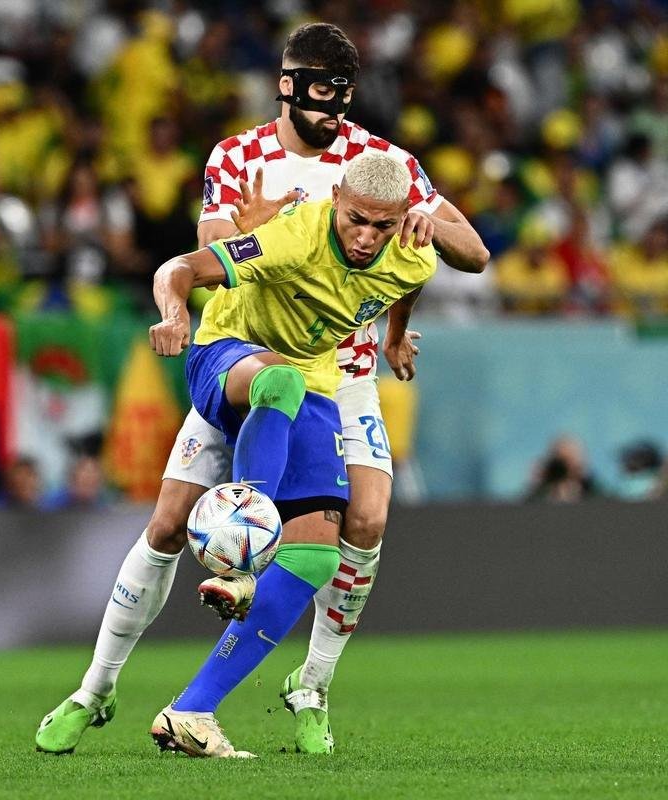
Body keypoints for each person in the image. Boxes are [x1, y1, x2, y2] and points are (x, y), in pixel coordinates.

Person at [36, 23, 489, 757]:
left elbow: (443, 255)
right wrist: (243, 248)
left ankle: (310, 683)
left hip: (337, 370)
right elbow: (215, 249)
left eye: (343, 96)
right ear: (287, 85)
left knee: (363, 523)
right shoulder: (239, 156)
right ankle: (96, 686)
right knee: (168, 525)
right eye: (319, 94)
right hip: (248, 355)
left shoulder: (383, 165)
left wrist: (400, 323)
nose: (333, 111)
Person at [142, 152, 439, 757]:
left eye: (382, 227)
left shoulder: (415, 257)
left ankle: (191, 713)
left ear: (404, 219)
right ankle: (243, 562)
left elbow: (407, 285)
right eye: (355, 219)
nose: (365, 237)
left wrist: (395, 334)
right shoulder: (294, 237)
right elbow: (179, 269)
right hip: (228, 354)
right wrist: (173, 315)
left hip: (316, 383)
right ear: (338, 201)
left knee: (312, 561)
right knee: (279, 382)